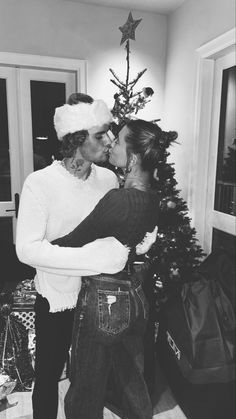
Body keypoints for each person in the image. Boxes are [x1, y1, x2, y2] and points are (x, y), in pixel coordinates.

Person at [51, 119, 178, 419]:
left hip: (104, 301)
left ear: (133, 158)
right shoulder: (151, 198)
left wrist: (37, 246)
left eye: (118, 141)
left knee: (85, 387)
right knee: (132, 380)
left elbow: (72, 241)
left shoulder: (119, 200)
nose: (111, 144)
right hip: (134, 298)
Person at [15, 93, 130, 419]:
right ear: (76, 138)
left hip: (99, 299)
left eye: (109, 132)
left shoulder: (108, 179)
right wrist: (95, 258)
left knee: (91, 379)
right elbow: (26, 249)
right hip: (56, 301)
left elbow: (116, 231)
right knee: (49, 376)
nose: (109, 140)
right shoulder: (40, 183)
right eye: (100, 134)